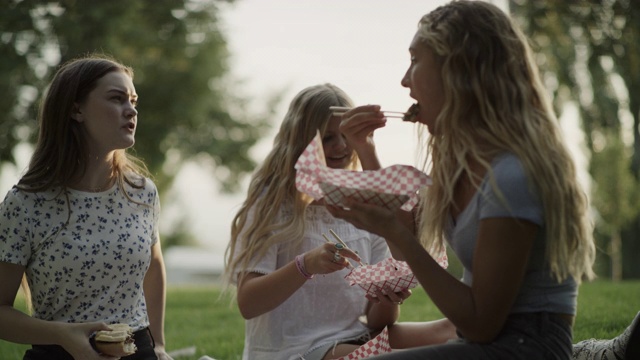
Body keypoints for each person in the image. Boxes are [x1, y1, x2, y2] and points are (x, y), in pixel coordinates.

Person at [327, 1, 597, 359]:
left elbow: (480, 322)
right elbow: (405, 236)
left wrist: (395, 232)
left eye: (414, 61)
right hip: (480, 340)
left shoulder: (512, 175)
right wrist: (367, 149)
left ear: (457, 70)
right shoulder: (461, 165)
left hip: (525, 345)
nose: (404, 80)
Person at [223, 83, 455, 360]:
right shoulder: (273, 207)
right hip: (295, 350)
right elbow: (248, 303)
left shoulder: (363, 205)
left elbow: (378, 322)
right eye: (328, 137)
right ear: (302, 142)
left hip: (354, 336)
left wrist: (387, 295)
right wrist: (305, 265)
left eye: (346, 135)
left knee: (454, 331)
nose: (341, 146)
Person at [0, 55, 173, 360]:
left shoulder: (142, 193)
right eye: (117, 99)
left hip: (138, 351)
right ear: (75, 109)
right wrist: (60, 335)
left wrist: (157, 344)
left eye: (133, 100)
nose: (131, 110)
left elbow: (154, 268)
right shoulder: (26, 203)